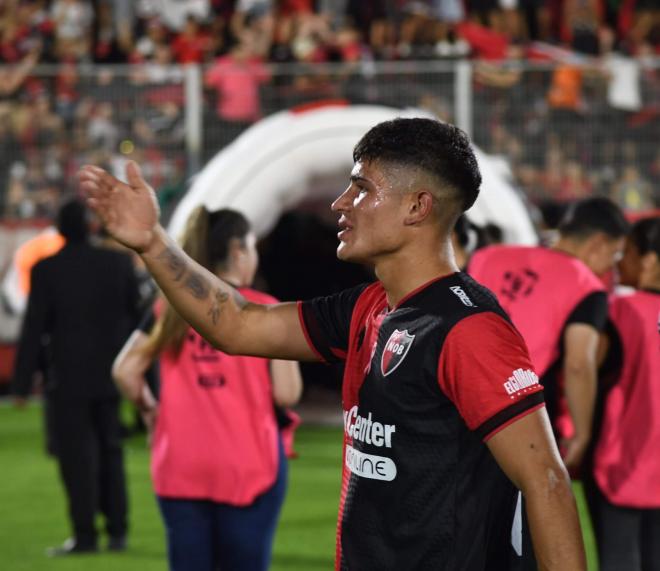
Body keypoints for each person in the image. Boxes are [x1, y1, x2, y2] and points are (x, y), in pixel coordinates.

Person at [80, 117, 586, 570]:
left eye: (361, 188)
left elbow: (546, 481)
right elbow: (237, 323)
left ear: (417, 206)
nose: (340, 203)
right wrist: (153, 242)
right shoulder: (368, 306)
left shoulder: (468, 329)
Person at [112, 207, 302, 571]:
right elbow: (287, 394)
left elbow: (125, 371)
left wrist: (150, 412)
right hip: (248, 463)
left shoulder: (169, 308)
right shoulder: (263, 308)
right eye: (252, 246)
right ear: (237, 251)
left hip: (180, 463)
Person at [12, 198, 140, 555]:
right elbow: (138, 324)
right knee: (111, 453)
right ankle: (118, 532)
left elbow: (34, 329)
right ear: (92, 227)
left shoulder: (46, 270)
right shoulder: (118, 264)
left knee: (76, 459)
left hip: (67, 379)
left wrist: (22, 385)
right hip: (112, 376)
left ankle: (85, 536)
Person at [469, 197, 629, 473]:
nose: (611, 268)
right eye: (614, 255)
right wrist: (582, 433)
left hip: (457, 397)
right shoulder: (586, 286)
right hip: (518, 415)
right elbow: (579, 365)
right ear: (598, 243)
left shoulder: (488, 256)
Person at [591, 218, 660, 571]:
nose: (619, 261)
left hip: (622, 461)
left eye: (628, 253)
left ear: (649, 261)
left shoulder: (619, 310)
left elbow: (587, 370)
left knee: (620, 559)